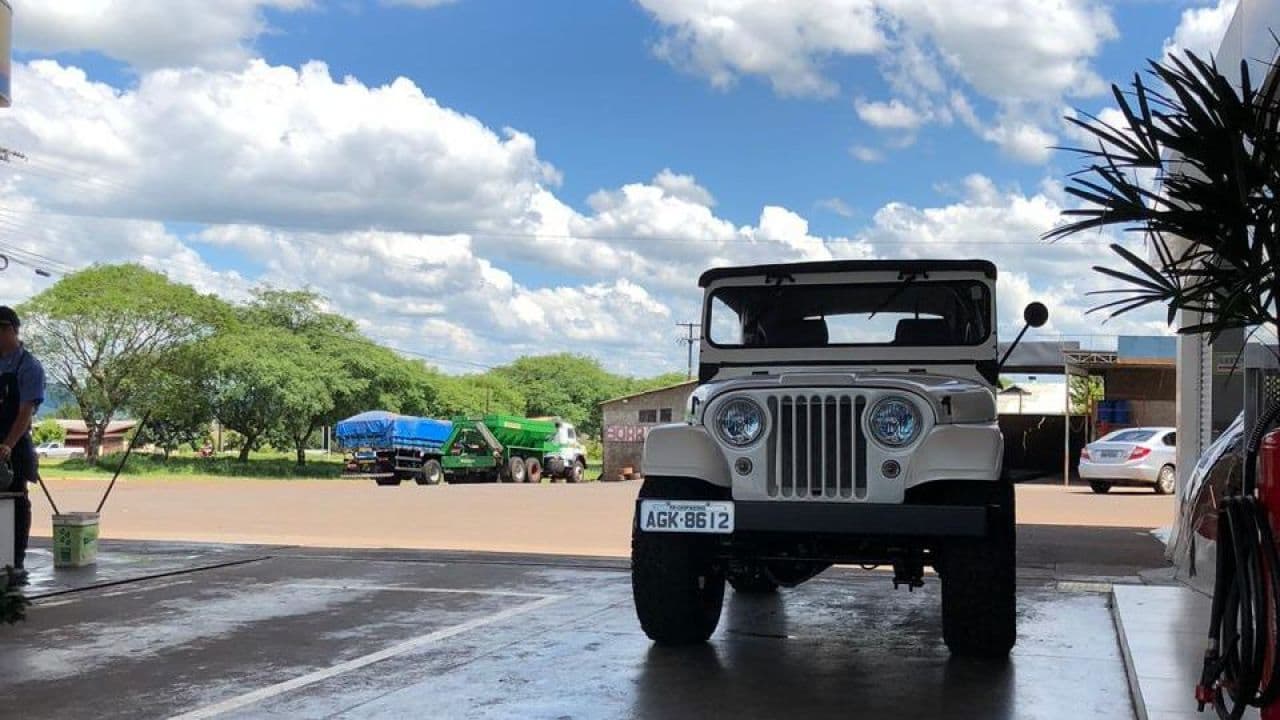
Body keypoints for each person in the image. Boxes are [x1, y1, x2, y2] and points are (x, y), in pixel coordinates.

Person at [0, 306, 45, 578]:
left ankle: (15, 563)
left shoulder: (28, 366)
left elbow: (25, 411)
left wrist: (7, 445)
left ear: (9, 330)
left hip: (14, 447)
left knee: (16, 501)